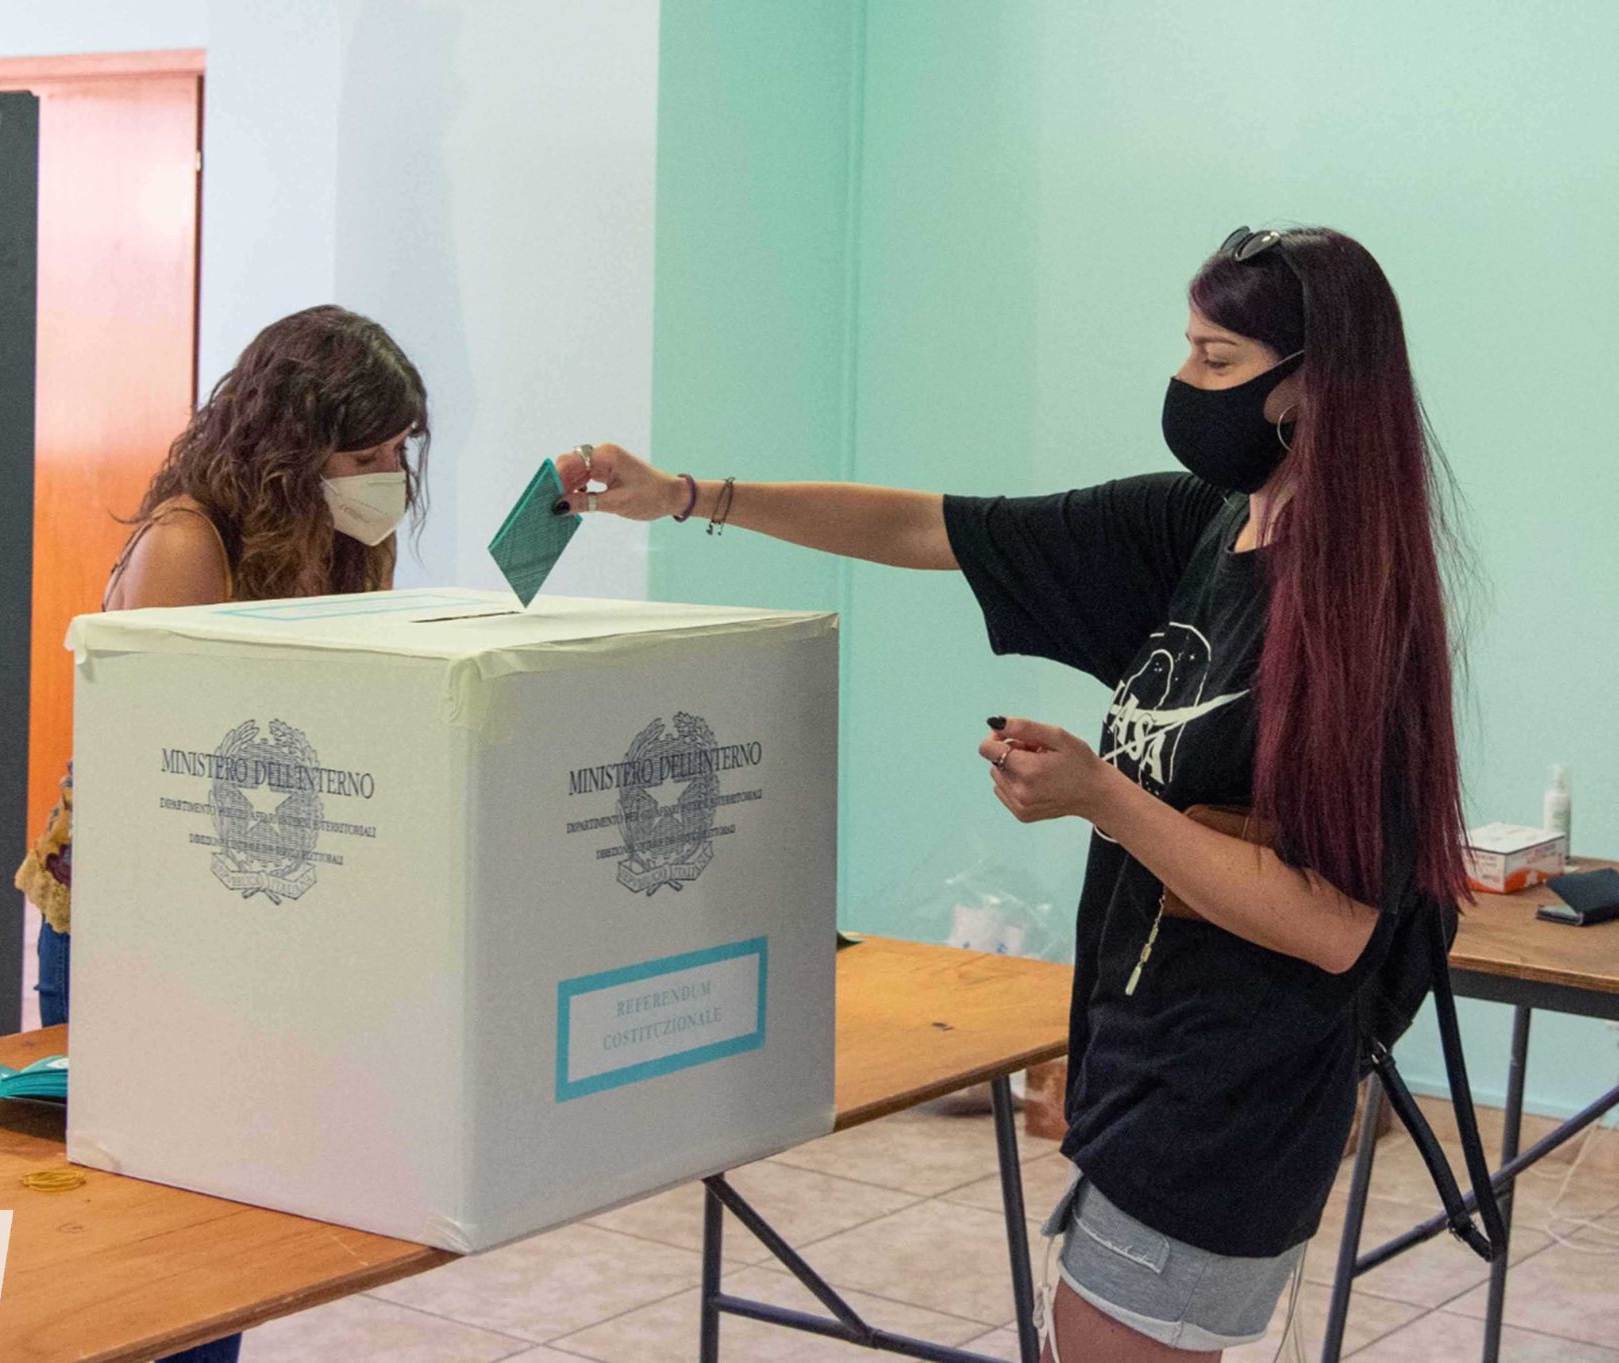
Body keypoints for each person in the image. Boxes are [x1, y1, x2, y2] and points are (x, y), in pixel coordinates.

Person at [553, 226, 1468, 1363]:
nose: (1184, 383)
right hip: (1139, 1065)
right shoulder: (1197, 527)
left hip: (1229, 1107)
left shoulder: (1354, 618)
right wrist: (687, 495)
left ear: (1313, 387)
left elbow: (1334, 925)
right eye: (1185, 349)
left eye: (1217, 360)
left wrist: (1101, 795)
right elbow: (928, 526)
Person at [14, 303, 426, 1363]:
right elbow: (146, 786)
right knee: (145, 1252)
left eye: (397, 452)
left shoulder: (342, 544)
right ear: (291, 447)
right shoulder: (188, 545)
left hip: (247, 922)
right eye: (365, 455)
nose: (388, 476)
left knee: (219, 1249)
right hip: (135, 930)